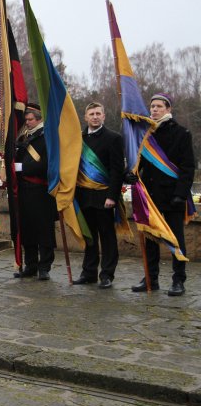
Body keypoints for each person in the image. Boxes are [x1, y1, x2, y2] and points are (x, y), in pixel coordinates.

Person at [132, 93, 195, 297]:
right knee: (151, 239)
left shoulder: (181, 133)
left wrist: (180, 194)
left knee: (176, 240)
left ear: (168, 109)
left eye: (159, 106)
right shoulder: (147, 134)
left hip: (173, 196)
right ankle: (151, 278)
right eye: (152, 106)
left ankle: (179, 280)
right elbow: (139, 163)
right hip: (151, 197)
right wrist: (130, 172)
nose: (154, 110)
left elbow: (187, 168)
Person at [75, 103, 124, 289]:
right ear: (85, 117)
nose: (95, 117)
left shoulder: (113, 138)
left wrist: (112, 196)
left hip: (104, 196)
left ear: (103, 116)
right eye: (91, 114)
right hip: (83, 196)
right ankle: (89, 272)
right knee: (89, 236)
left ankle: (107, 274)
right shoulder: (78, 139)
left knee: (107, 236)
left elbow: (117, 170)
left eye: (98, 114)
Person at [13, 104, 57, 281]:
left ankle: (44, 266)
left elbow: (47, 163)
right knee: (27, 229)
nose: (27, 122)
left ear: (39, 119)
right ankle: (30, 264)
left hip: (40, 190)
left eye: (30, 119)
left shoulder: (47, 137)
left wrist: (22, 167)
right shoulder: (24, 137)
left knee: (43, 230)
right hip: (24, 190)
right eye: (27, 120)